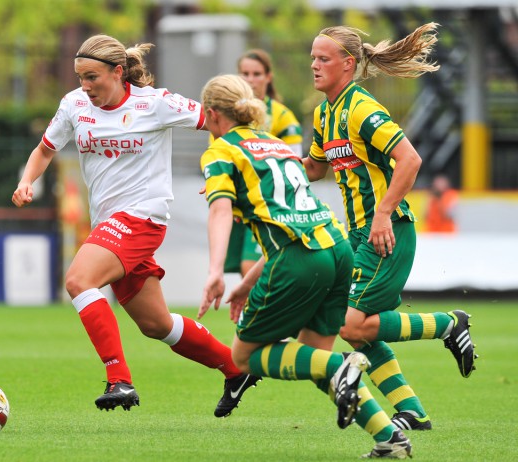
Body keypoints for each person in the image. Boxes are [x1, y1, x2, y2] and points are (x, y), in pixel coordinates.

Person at [12, 34, 259, 417]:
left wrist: (225, 173)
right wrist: (28, 180)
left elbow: (218, 123)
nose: (85, 86)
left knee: (79, 280)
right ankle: (235, 368)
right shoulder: (74, 105)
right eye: (80, 78)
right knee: (156, 324)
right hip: (108, 224)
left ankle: (119, 379)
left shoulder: (155, 103)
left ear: (118, 72)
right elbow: (46, 148)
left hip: (143, 217)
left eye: (92, 76)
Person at [198, 74, 413, 459]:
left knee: (244, 357)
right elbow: (294, 217)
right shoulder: (277, 146)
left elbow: (219, 212)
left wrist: (216, 270)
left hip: (299, 258)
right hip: (336, 247)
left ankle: (342, 366)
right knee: (313, 356)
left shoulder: (220, 152)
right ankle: (389, 437)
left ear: (212, 116)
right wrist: (248, 283)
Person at [302, 23, 477, 432]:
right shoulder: (324, 113)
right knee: (354, 330)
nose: (314, 65)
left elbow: (410, 160)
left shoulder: (361, 107)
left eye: (322, 58)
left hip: (387, 232)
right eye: (312, 57)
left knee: (348, 323)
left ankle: (449, 324)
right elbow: (313, 167)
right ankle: (412, 411)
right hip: (358, 235)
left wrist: (383, 212)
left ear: (348, 64)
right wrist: (262, 169)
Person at [225, 49, 304, 277]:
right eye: (245, 73)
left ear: (268, 77)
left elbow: (295, 166)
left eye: (257, 73)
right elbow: (219, 157)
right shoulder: (226, 115)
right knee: (244, 274)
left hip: (269, 204)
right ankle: (250, 314)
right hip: (238, 205)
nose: (250, 80)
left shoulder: (282, 117)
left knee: (252, 269)